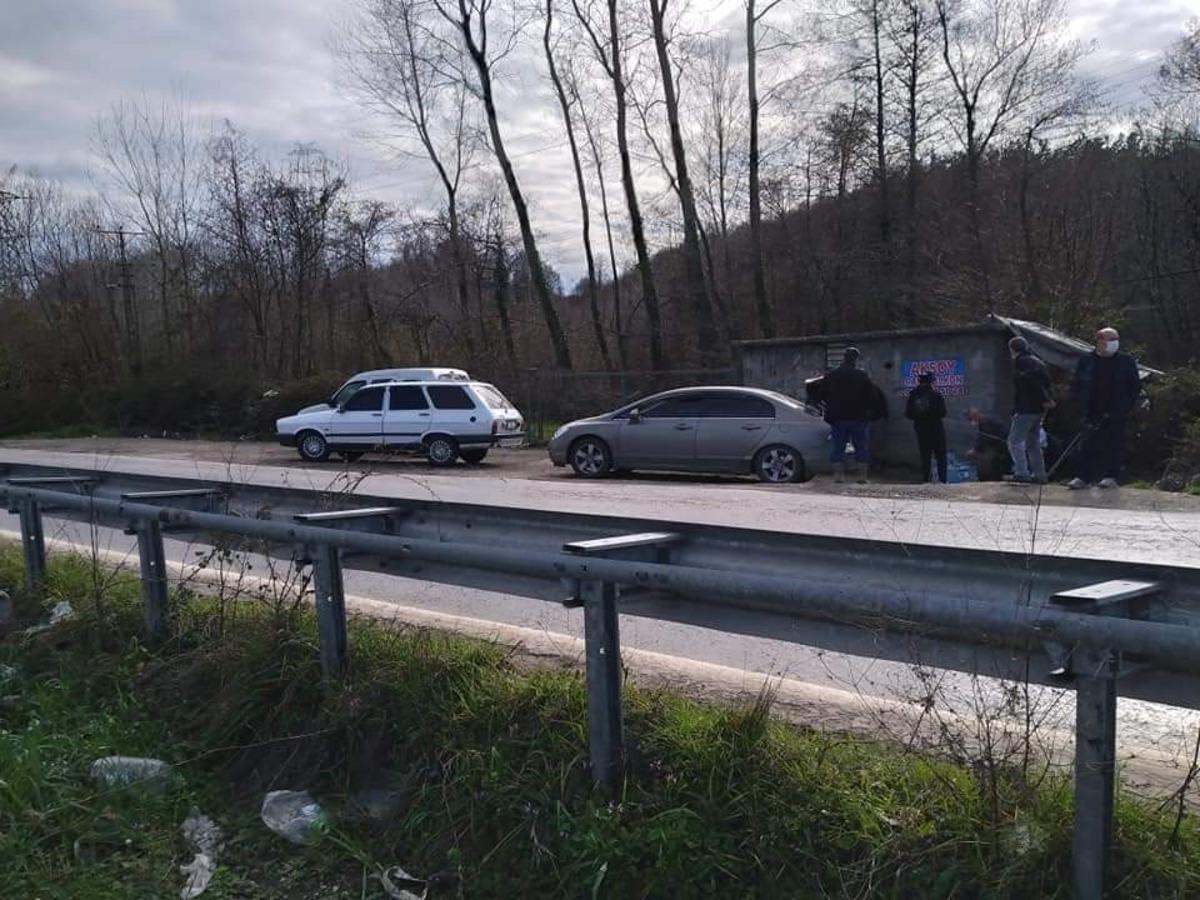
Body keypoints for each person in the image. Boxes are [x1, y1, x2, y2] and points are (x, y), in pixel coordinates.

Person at [1067, 326, 1142, 489]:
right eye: (1111, 339)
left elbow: (1135, 386)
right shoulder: (1087, 360)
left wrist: (1126, 406)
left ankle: (1110, 476)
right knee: (1087, 444)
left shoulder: (1125, 361)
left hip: (1116, 411)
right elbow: (1076, 383)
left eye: (1116, 339)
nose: (1115, 343)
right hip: (1091, 410)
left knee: (1114, 443)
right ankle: (1083, 477)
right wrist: (1078, 403)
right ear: (1100, 341)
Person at [824, 347, 878, 484]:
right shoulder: (862, 375)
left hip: (837, 417)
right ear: (856, 359)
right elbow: (872, 396)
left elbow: (822, 393)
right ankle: (862, 477)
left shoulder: (832, 375)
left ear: (844, 357)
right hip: (858, 417)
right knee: (861, 446)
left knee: (837, 446)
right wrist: (869, 410)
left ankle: (838, 476)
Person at [1006, 336, 1055, 484]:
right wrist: (1048, 399)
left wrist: (1042, 399)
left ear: (1012, 349)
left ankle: (1022, 472)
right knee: (1033, 442)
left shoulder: (1021, 362)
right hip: (1038, 409)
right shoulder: (1037, 361)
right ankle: (1040, 474)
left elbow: (1031, 383)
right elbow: (1046, 382)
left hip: (1026, 407)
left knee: (1014, 441)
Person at [905, 371, 947, 483]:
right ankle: (943, 480)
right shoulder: (936, 395)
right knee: (940, 454)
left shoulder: (913, 395)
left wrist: (919, 416)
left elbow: (908, 414)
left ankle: (926, 479)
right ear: (931, 381)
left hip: (921, 428)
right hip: (936, 428)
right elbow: (942, 413)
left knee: (925, 455)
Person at [965, 408, 1010, 481]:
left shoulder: (985, 422)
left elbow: (986, 438)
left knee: (985, 457)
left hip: (1000, 447)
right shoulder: (987, 420)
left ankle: (989, 478)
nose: (971, 422)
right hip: (1000, 446)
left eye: (970, 419)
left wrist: (975, 450)